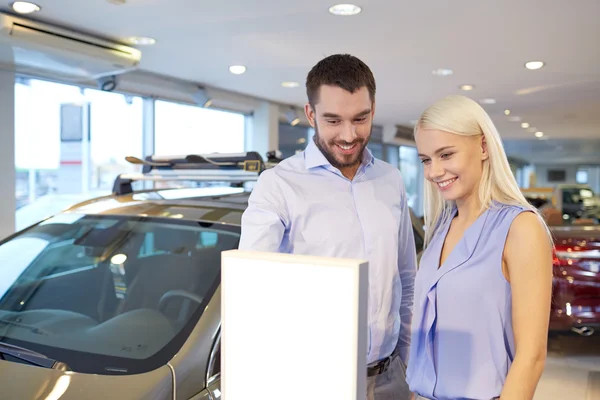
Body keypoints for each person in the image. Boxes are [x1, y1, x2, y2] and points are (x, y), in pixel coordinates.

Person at [239, 54, 416, 400]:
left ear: (373, 109)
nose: (349, 135)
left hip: (390, 377)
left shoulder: (390, 180)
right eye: (333, 120)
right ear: (310, 114)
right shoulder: (278, 185)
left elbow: (406, 277)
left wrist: (408, 368)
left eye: (360, 118)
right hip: (314, 382)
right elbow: (253, 294)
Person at [406, 95, 553, 400]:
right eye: (426, 159)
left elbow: (531, 356)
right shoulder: (442, 227)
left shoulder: (520, 227)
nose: (434, 171)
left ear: (484, 147)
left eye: (446, 155)